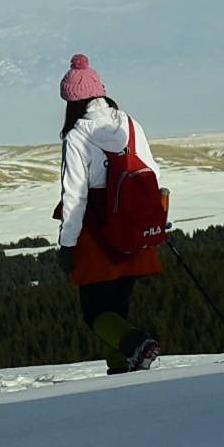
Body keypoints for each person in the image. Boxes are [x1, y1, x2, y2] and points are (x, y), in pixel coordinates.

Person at [55, 55, 164, 372]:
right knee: (118, 306)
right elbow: (152, 172)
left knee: (94, 311)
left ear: (71, 102)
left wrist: (67, 245)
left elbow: (74, 195)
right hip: (131, 227)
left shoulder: (77, 136)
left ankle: (136, 346)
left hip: (96, 230)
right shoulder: (130, 124)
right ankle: (122, 369)